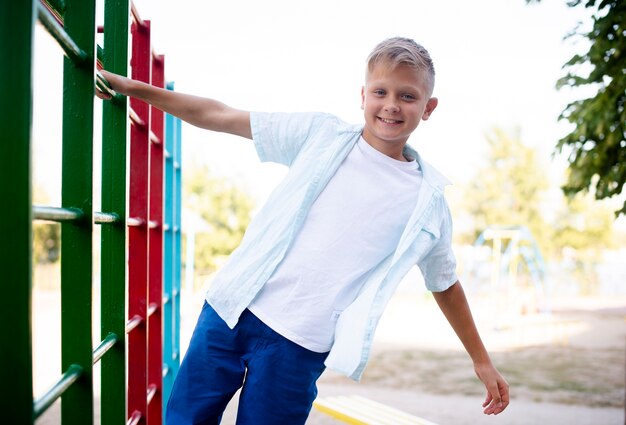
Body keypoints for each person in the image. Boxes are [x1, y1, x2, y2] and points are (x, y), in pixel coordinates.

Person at [98, 37, 510, 425]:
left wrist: (480, 359)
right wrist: (132, 88)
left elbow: (445, 282)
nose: (391, 105)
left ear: (429, 106)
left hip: (299, 345)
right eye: (380, 92)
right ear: (362, 95)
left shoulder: (428, 201)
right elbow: (220, 115)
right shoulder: (322, 135)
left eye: (408, 96)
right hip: (231, 310)